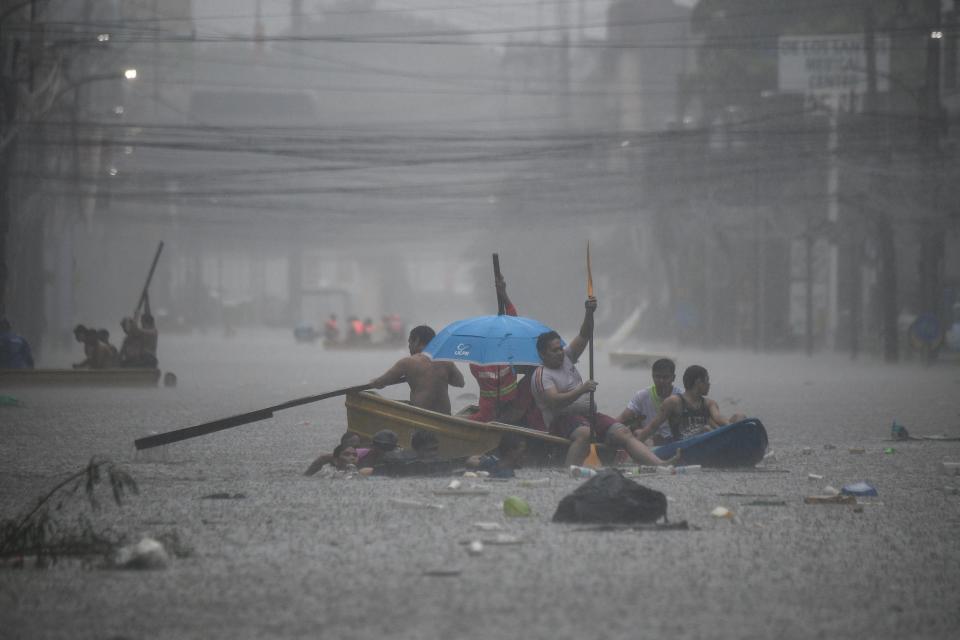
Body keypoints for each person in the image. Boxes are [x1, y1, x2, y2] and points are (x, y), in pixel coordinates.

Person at [531, 295, 680, 467]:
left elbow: (584, 334)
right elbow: (554, 401)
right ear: (542, 354)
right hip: (562, 420)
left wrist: (589, 312)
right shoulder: (542, 375)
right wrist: (581, 390)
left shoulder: (567, 357)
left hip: (588, 416)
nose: (560, 353)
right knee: (586, 434)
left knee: (623, 432)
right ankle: (569, 472)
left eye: (560, 349)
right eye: (554, 351)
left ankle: (660, 465)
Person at [466, 274, 544, 429]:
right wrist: (504, 294)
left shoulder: (479, 358)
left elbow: (512, 320)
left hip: (506, 408)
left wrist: (503, 294)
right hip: (490, 413)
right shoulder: (490, 359)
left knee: (536, 374)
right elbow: (512, 321)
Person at [635, 364, 746, 446]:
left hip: (707, 439)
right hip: (682, 445)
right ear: (698, 382)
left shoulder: (709, 403)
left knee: (740, 417)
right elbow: (652, 427)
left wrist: (733, 427)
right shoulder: (673, 402)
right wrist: (634, 447)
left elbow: (718, 417)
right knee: (706, 429)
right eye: (707, 381)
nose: (709, 384)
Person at [370, 325, 465, 415]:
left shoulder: (407, 362)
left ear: (416, 341)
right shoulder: (446, 361)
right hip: (445, 417)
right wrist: (442, 376)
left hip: (421, 417)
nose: (409, 347)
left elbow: (380, 382)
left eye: (409, 342)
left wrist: (374, 381)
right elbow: (460, 383)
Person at [616, 358, 684, 444]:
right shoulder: (642, 396)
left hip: (675, 441)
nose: (661, 381)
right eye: (657, 377)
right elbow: (622, 418)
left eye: (665, 377)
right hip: (648, 440)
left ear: (673, 378)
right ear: (652, 376)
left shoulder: (682, 396)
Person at [119, 294, 159, 369]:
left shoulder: (152, 332)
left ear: (146, 322)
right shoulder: (140, 333)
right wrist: (147, 301)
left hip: (149, 359)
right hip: (142, 359)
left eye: (142, 321)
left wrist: (136, 316)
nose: (141, 323)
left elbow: (135, 329)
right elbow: (148, 314)